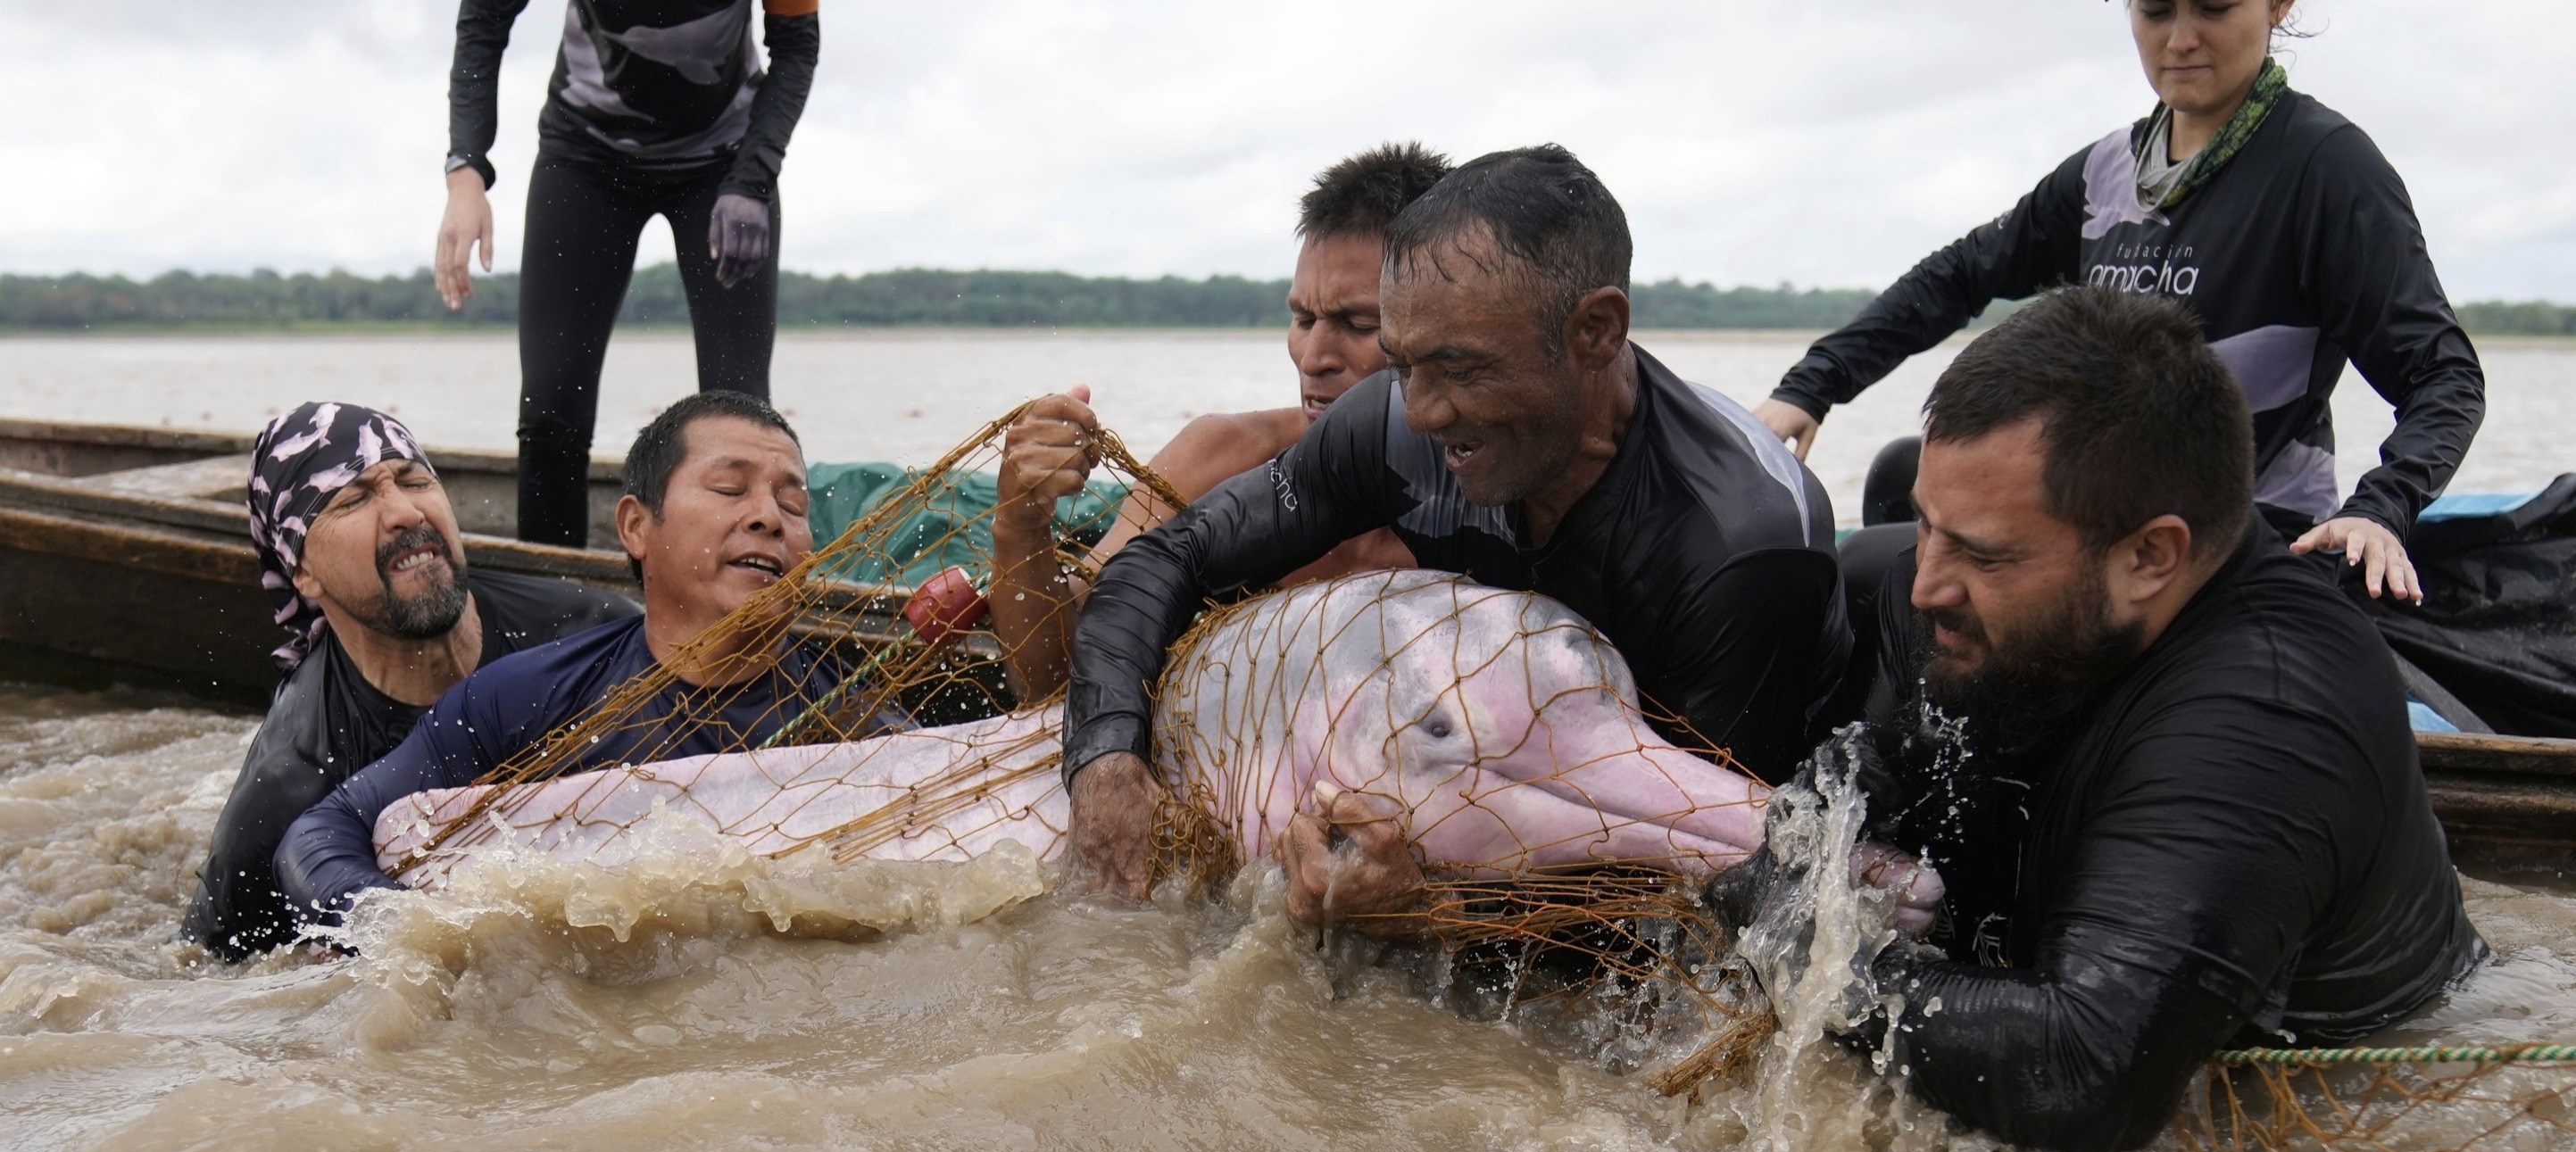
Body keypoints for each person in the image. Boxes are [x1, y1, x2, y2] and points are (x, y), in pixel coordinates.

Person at [1049, 145, 1848, 924]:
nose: (1424, 412)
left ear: (1597, 332)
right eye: (1402, 363)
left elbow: (1707, 881)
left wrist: (1437, 903)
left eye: (1461, 370)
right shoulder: (1394, 423)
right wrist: (1106, 759)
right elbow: (1167, 555)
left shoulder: (1741, 546)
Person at [1848, 286, 2487, 1152]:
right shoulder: (1945, 600)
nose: (1926, 585)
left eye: (1984, 553)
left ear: (2151, 556)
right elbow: (1858, 795)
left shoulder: (2272, 709)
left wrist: (1809, 954)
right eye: (1926, 526)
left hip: (2330, 1106)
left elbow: (2081, 1073)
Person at [1755, 0, 2482, 605]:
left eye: (2215, 6)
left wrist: (2379, 508)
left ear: (2279, 5)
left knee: (1857, 574)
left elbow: (2445, 376)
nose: (2181, 37)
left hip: (2239, 529)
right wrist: (1811, 387)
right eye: (2156, 9)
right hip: (2094, 505)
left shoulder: (2326, 168)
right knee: (1896, 476)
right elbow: (1958, 276)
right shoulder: (2110, 168)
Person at [273, 391, 877, 933]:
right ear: (636, 526)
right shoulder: (520, 698)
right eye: (729, 489)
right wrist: (412, 932)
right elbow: (320, 835)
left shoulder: (858, 716)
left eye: (793, 505)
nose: (769, 517)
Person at [987, 142, 1450, 700]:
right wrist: (1020, 525)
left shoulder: (1490, 498)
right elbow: (1051, 681)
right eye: (1303, 318)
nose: (1313, 357)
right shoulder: (1220, 458)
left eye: (1356, 323)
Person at [180, 402, 636, 960]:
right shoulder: (290, 784)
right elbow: (202, 972)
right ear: (303, 572)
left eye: (415, 480)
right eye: (353, 499)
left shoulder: (593, 635)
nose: (403, 512)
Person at [436, 0, 821, 548]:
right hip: (584, 155)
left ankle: (739, 610)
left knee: (743, 422)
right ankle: (555, 612)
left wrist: (753, 178)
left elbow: (796, 43)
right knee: (551, 413)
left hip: (723, 164)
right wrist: (465, 171)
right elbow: (484, 18)